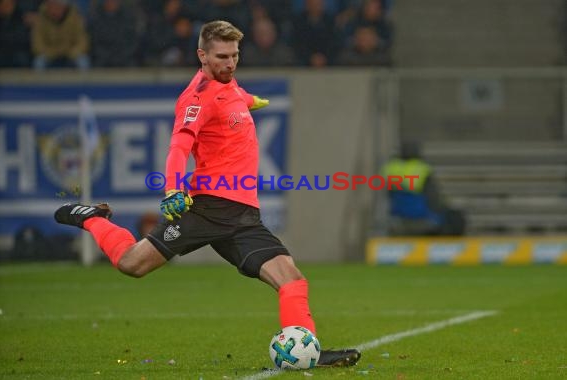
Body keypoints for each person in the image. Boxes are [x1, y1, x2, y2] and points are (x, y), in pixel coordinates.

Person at [54, 20, 361, 368]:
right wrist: (172, 188)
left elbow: (232, 95)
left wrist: (248, 100)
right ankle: (93, 220)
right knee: (132, 264)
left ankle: (309, 352)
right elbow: (178, 146)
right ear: (201, 55)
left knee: (292, 279)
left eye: (235, 55)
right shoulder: (196, 97)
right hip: (207, 209)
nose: (229, 63)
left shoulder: (230, 85)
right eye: (221, 57)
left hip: (244, 217)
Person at [382, 141, 466, 236]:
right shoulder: (422, 170)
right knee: (453, 217)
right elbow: (434, 199)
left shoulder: (391, 169)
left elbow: (389, 195)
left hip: (398, 217)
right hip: (421, 218)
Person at [31, 0, 90, 71]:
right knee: (39, 62)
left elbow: (82, 41)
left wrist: (73, 53)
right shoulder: (41, 18)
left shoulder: (75, 17)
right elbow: (37, 43)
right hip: (49, 54)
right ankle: (39, 82)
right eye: (51, 6)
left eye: (57, 6)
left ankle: (83, 82)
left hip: (70, 54)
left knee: (83, 61)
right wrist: (50, 53)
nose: (54, 9)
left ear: (64, 7)